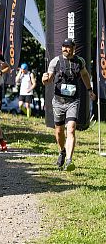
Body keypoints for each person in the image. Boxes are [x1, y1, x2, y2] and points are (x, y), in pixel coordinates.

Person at [42, 38, 96, 171]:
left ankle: (69, 161)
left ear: (73, 48)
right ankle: (62, 151)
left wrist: (90, 90)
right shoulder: (56, 61)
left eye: (68, 47)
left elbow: (84, 75)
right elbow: (48, 79)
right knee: (59, 131)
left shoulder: (80, 61)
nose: (66, 49)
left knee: (71, 129)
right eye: (64, 46)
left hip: (73, 101)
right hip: (58, 101)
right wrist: (45, 79)